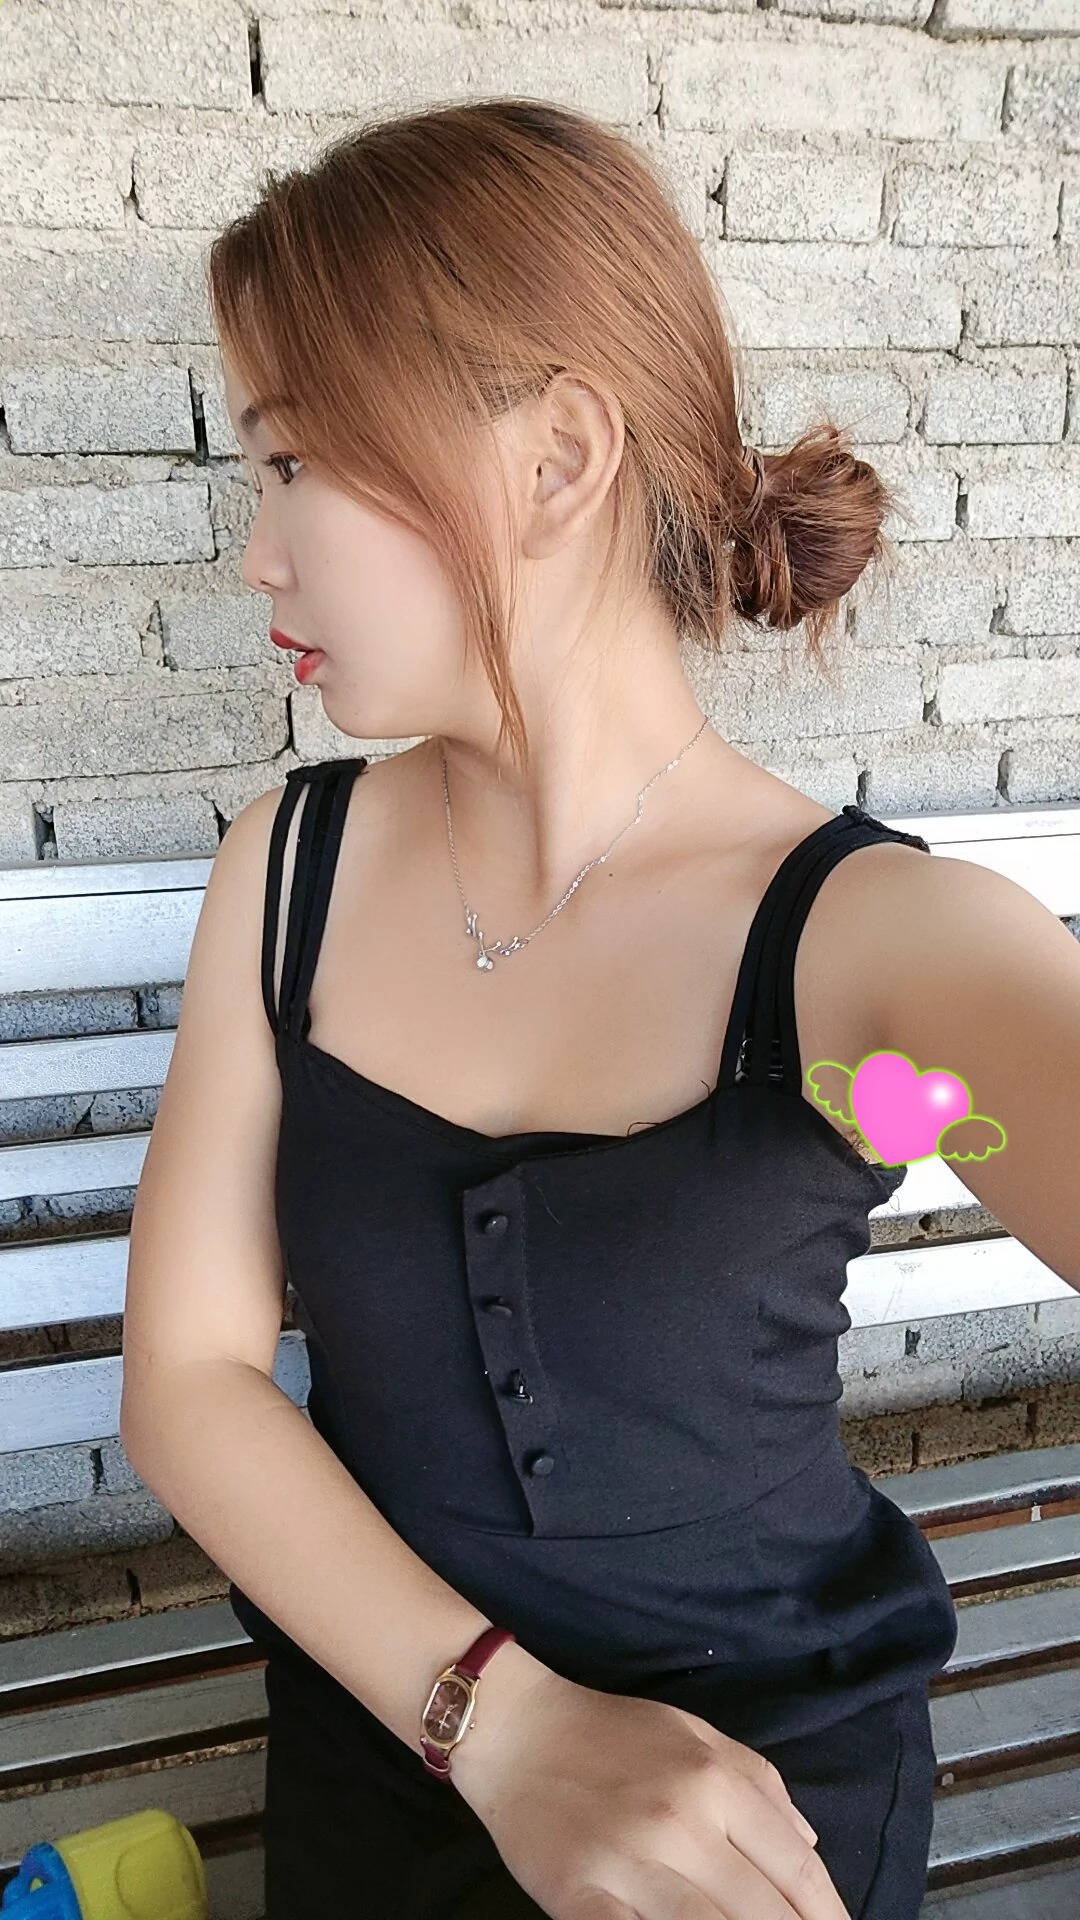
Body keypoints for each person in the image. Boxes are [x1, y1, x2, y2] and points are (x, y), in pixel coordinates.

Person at [121, 98, 1080, 1920]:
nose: (259, 553)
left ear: (557, 454)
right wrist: (499, 1725)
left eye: (294, 460)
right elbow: (188, 1374)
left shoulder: (857, 958)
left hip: (763, 1801)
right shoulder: (289, 871)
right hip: (391, 1731)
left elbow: (1007, 1046)